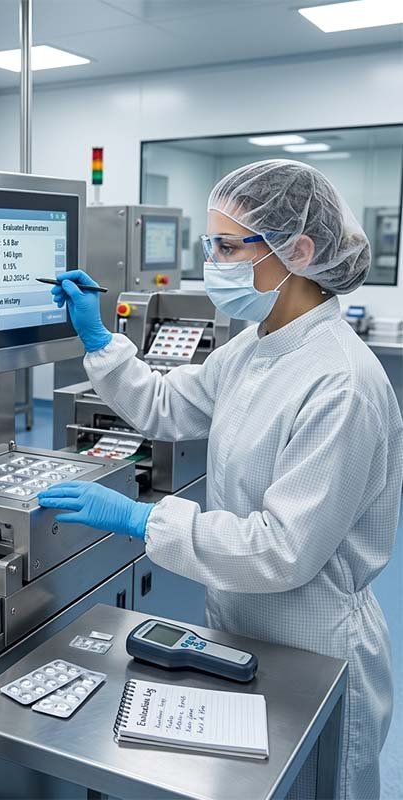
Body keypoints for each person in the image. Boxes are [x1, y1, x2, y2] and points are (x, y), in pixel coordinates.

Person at [39, 160, 402, 799]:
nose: (214, 262)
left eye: (229, 247)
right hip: (244, 628)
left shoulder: (339, 382)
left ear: (299, 249)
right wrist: (98, 338)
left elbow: (281, 550)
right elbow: (167, 404)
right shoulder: (259, 345)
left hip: (315, 643)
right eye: (210, 245)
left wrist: (140, 518)